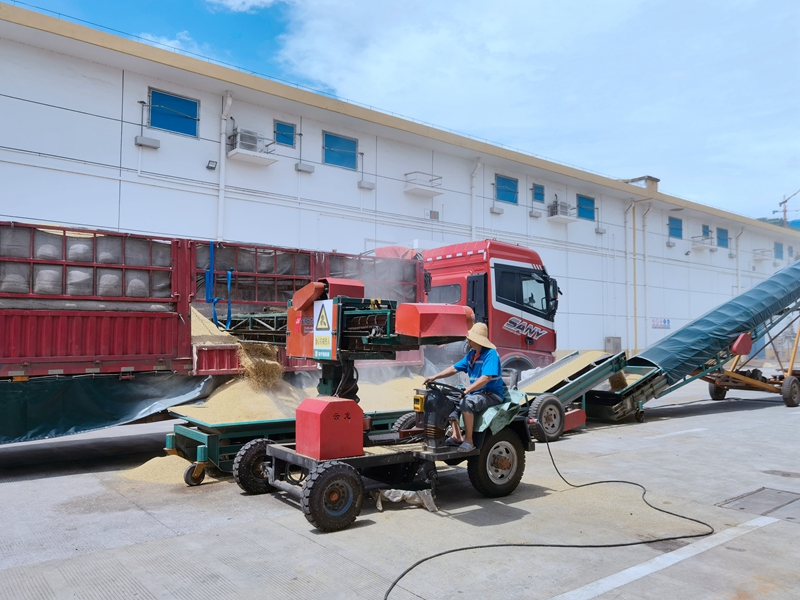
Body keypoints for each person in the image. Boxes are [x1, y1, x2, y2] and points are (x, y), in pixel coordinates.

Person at [424, 322, 508, 452]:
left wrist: (468, 390)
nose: (468, 340)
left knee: (466, 402)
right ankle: (456, 435)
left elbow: (486, 378)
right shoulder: (471, 355)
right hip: (476, 393)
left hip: (490, 395)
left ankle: (469, 441)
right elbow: (454, 368)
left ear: (477, 340)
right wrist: (435, 377)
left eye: (471, 338)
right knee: (447, 399)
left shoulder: (491, 354)